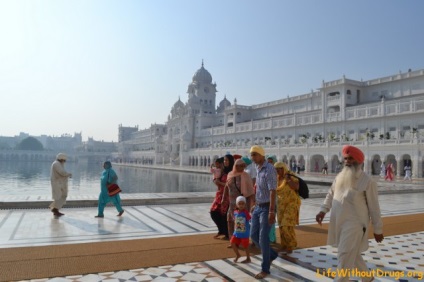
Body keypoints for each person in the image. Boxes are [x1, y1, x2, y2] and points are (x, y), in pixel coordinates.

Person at [315, 145, 384, 282]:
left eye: (351, 158)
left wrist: (378, 229)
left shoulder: (367, 181)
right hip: (340, 222)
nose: (347, 161)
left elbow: (374, 207)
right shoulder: (340, 176)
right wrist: (323, 210)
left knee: (344, 254)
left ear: (358, 160)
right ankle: (367, 277)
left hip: (356, 225)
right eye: (345, 158)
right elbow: (331, 194)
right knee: (353, 253)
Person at [249, 145, 278, 279]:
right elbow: (259, 189)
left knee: (263, 238)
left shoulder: (270, 169)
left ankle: (265, 269)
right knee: (253, 235)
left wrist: (271, 211)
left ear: (261, 155)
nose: (253, 157)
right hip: (259, 206)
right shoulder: (258, 168)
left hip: (267, 207)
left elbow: (273, 191)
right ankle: (271, 254)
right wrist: (255, 203)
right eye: (252, 155)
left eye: (255, 154)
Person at [223, 159, 255, 247]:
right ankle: (232, 241)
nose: (243, 168)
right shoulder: (230, 174)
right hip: (232, 203)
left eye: (243, 166)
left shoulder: (245, 175)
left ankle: (242, 240)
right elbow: (226, 186)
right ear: (236, 166)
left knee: (241, 222)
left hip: (242, 204)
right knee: (230, 221)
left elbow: (251, 190)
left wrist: (253, 202)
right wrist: (223, 198)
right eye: (241, 166)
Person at [274, 162, 300, 255]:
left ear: (283, 168)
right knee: (281, 226)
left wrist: (288, 180)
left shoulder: (290, 176)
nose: (277, 171)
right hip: (281, 205)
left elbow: (296, 187)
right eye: (276, 169)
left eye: (279, 169)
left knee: (286, 225)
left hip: (291, 204)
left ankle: (291, 244)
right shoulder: (276, 178)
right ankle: (284, 245)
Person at [210, 154, 234, 239]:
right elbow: (217, 178)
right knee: (214, 212)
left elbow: (230, 185)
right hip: (220, 195)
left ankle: (227, 233)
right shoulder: (223, 171)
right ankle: (221, 230)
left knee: (224, 215)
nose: (225, 162)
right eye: (224, 160)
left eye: (227, 160)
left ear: (231, 161)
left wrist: (219, 183)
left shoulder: (233, 172)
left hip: (228, 196)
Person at [230, 196, 252, 263]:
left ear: (245, 205)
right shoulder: (235, 212)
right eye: (239, 204)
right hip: (237, 232)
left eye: (243, 204)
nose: (241, 205)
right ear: (237, 204)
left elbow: (249, 219)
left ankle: (248, 258)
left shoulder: (245, 213)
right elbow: (235, 220)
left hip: (244, 233)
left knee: (245, 246)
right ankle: (238, 255)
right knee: (232, 242)